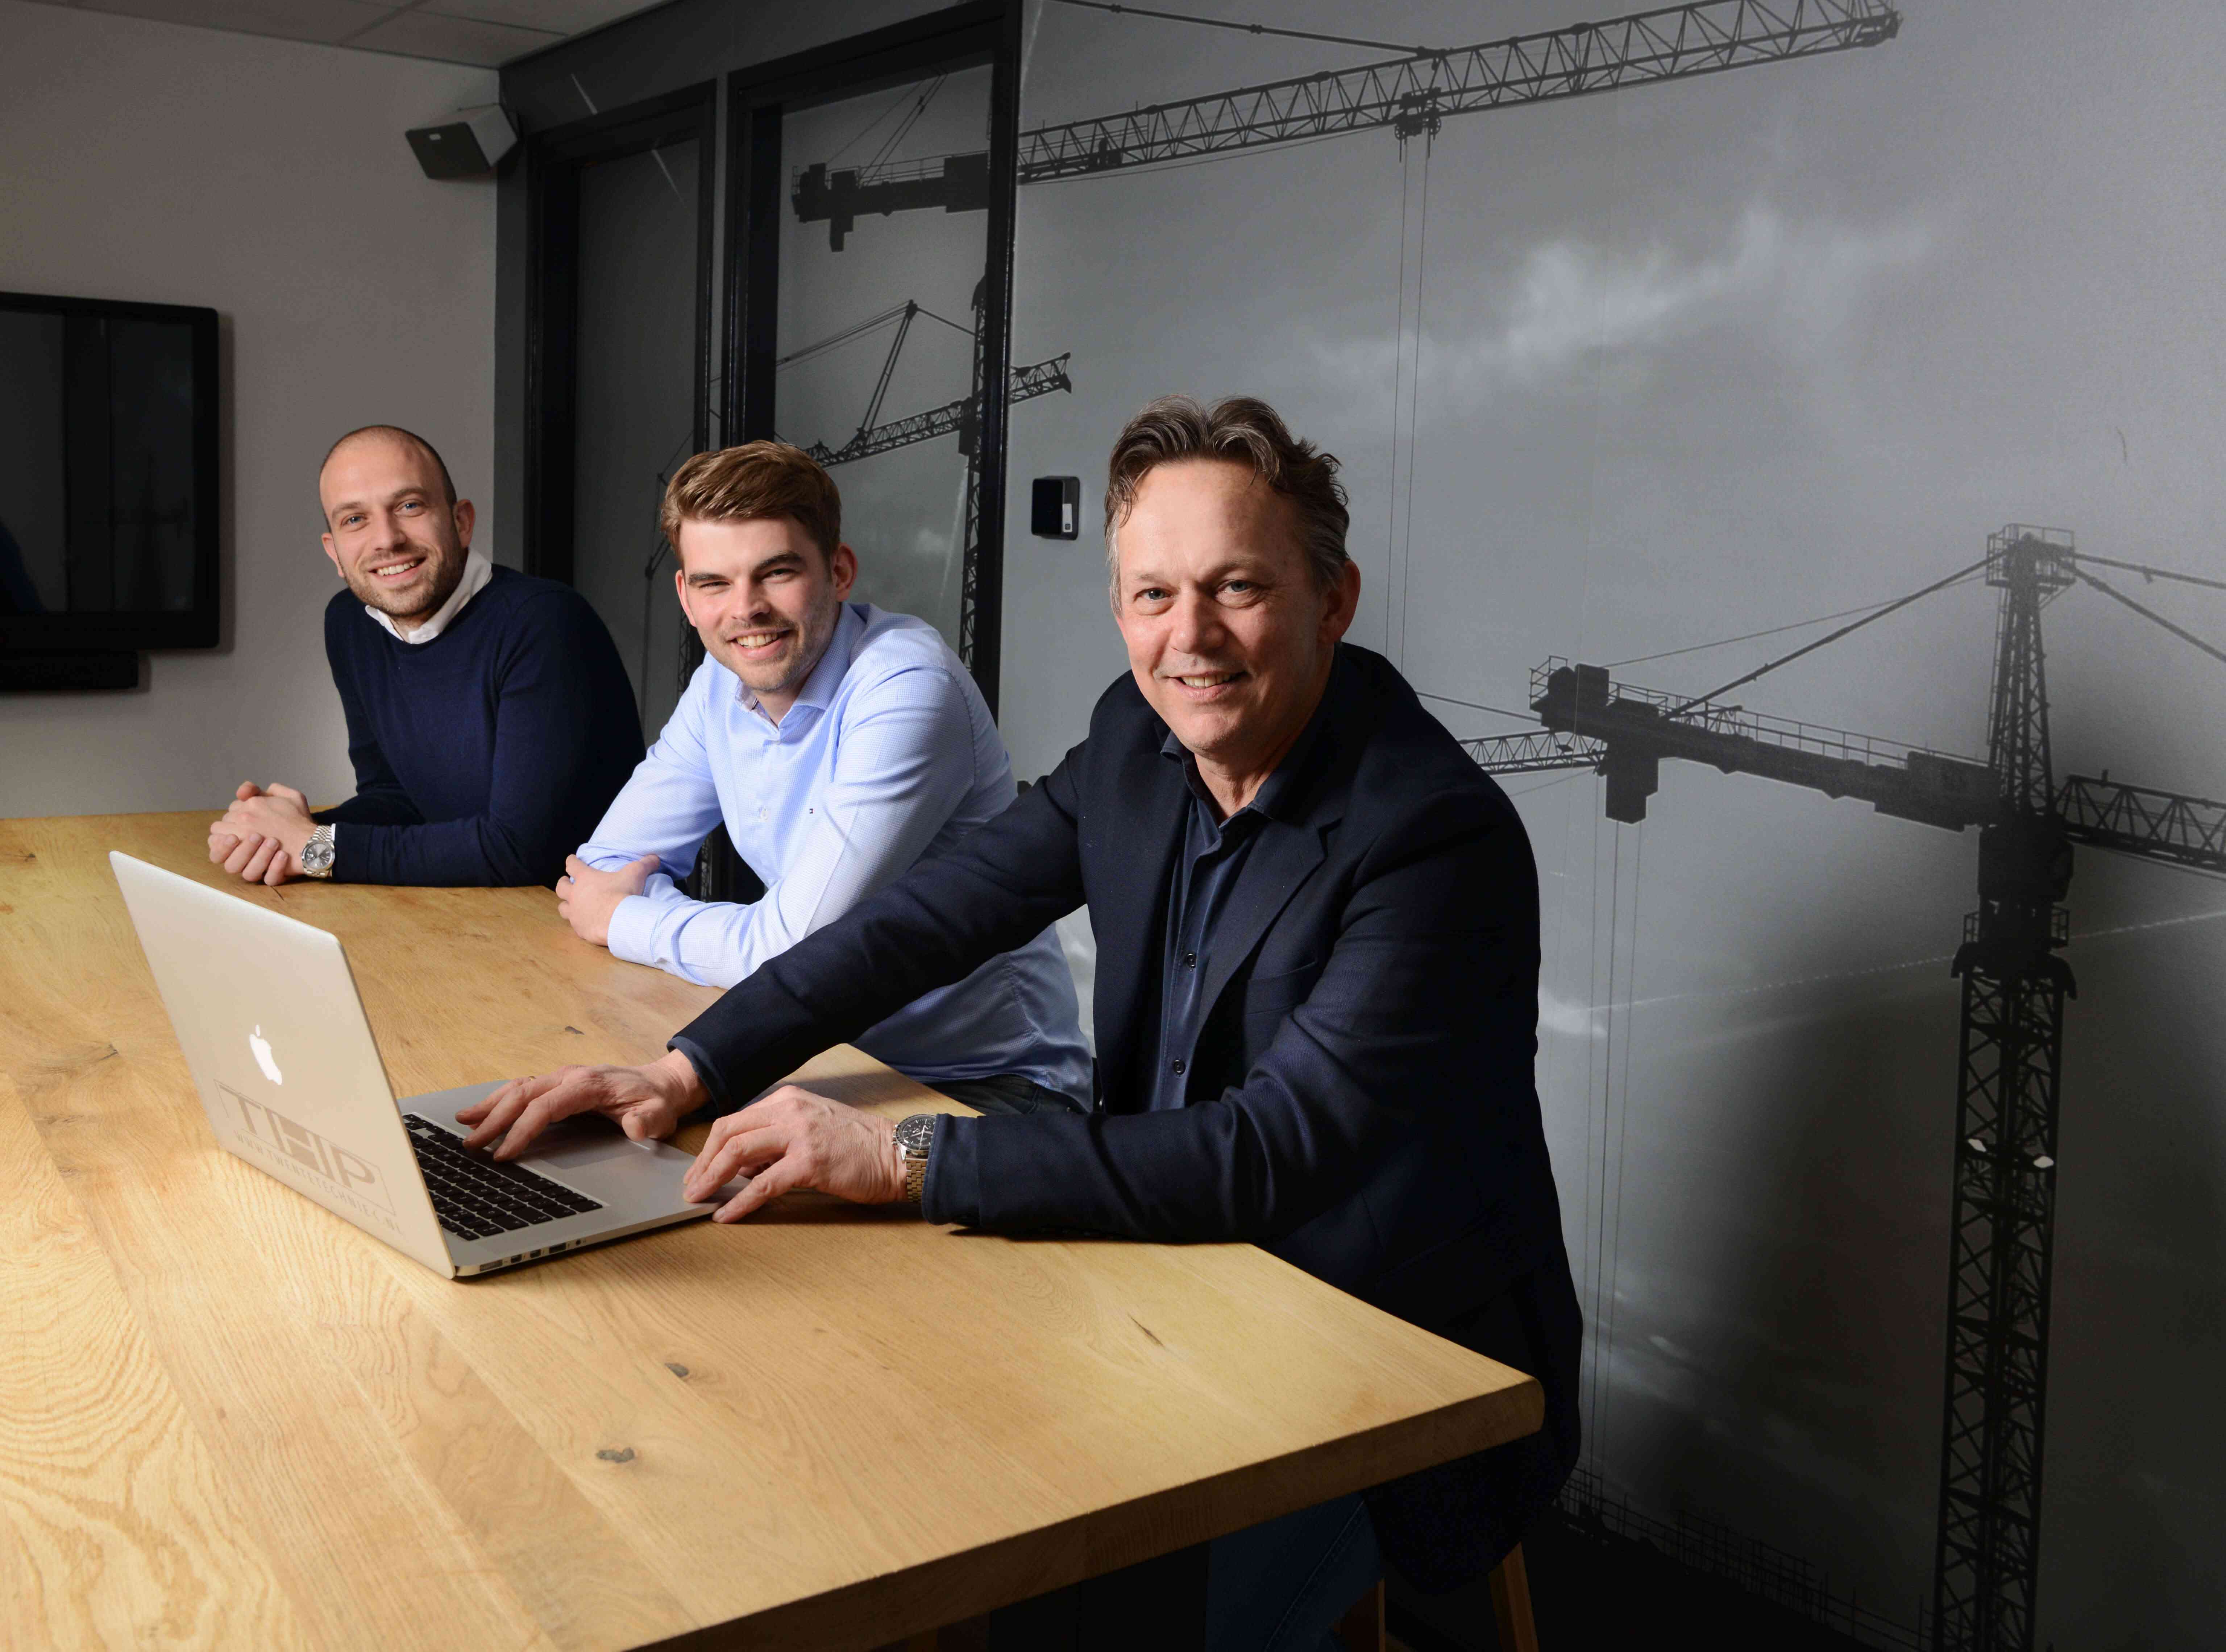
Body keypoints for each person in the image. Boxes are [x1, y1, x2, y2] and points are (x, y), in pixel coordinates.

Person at [460, 398, 1581, 1639]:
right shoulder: (1135, 741)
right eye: (1152, 595)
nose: (1190, 637)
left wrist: (906, 1154)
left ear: (1333, 599)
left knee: (1062, 1592)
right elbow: (920, 924)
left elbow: (1270, 1153)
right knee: (866, 1479)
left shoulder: (1431, 837)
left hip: (1382, 1355)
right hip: (1163, 1272)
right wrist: (686, 1070)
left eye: (1237, 588)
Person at [542, 440, 1089, 1115]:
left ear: (839, 570)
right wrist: (678, 926)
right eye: (714, 583)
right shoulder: (720, 682)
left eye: (776, 573)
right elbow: (604, 866)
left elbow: (794, 952)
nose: (746, 610)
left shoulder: (908, 687)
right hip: (811, 1057)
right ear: (685, 596)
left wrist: (627, 917)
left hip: (981, 1089)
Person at [208, 425, 640, 888]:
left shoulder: (544, 623)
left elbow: (520, 848)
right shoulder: (350, 623)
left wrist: (319, 846)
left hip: (585, 917)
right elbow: (397, 797)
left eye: (409, 506)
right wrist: (280, 835)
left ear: (462, 522)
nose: (387, 539)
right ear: (334, 552)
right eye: (355, 519)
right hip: (463, 909)